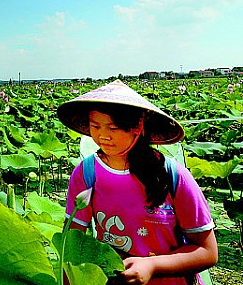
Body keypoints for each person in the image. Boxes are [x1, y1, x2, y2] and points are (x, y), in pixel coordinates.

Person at [57, 80, 217, 285]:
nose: (103, 136)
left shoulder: (173, 174)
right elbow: (70, 248)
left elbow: (208, 252)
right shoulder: (86, 173)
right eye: (95, 126)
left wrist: (152, 266)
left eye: (113, 128)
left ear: (138, 126)